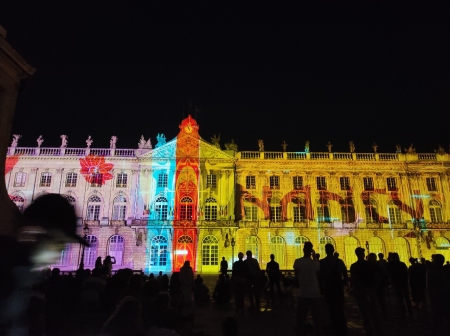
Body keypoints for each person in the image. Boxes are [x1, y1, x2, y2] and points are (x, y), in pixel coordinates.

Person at [0, 194, 89, 336]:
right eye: (59, 242)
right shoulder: (8, 275)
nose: (60, 252)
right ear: (38, 233)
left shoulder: (23, 276)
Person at [350, 247, 384, 336]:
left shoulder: (354, 266)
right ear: (363, 254)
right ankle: (379, 331)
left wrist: (362, 288)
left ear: (356, 254)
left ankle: (369, 332)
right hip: (371, 291)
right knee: (375, 313)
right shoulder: (370, 265)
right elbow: (378, 278)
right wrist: (372, 288)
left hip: (361, 292)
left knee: (365, 314)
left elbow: (354, 280)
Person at [293, 241, 323, 336]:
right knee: (317, 319)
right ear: (311, 251)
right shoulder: (316, 263)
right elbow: (318, 277)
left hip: (304, 293)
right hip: (315, 293)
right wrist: (314, 257)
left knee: (300, 319)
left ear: (303, 249)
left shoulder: (298, 262)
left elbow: (296, 277)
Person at [319, 244, 348, 336]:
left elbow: (320, 277)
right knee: (340, 308)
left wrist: (321, 289)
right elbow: (345, 275)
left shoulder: (322, 262)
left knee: (330, 308)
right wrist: (342, 283)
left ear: (326, 251)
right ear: (333, 250)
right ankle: (342, 328)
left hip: (328, 287)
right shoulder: (339, 261)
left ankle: (331, 328)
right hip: (338, 288)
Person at [427, 254, 450, 335]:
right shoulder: (446, 271)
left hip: (437, 298)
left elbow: (430, 287)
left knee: (436, 319)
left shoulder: (431, 271)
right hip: (446, 297)